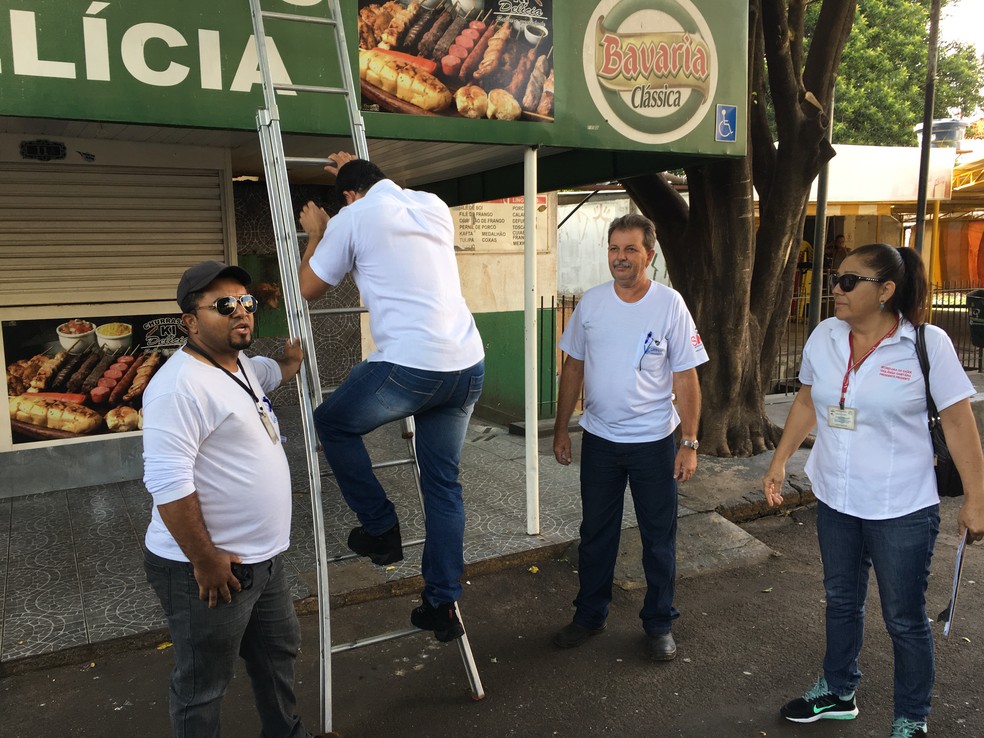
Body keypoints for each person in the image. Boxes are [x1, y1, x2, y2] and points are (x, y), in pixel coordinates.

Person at [762, 243, 984, 738]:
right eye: (835, 278)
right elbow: (806, 402)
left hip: (900, 506)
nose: (834, 290)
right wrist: (780, 462)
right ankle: (838, 691)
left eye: (848, 282)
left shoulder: (926, 344)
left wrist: (977, 499)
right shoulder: (824, 336)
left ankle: (911, 717)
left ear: (885, 291)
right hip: (837, 498)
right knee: (841, 600)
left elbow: (958, 425)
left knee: (904, 618)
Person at [142, 261, 338, 738]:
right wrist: (206, 560)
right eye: (225, 305)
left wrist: (293, 360)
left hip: (263, 562)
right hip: (208, 570)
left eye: (246, 303)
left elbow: (273, 372)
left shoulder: (242, 366)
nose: (241, 312)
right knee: (203, 683)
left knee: (277, 656)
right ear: (189, 321)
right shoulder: (177, 387)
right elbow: (167, 484)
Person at [297, 152, 485, 643]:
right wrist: (357, 170)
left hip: (410, 367)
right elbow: (382, 190)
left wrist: (318, 229)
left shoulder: (351, 217)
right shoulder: (431, 205)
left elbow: (308, 289)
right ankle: (441, 604)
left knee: (333, 423)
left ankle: (381, 529)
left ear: (347, 195)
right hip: (466, 364)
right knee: (443, 485)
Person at [552, 213, 708, 661]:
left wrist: (690, 442)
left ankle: (659, 623)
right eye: (614, 249)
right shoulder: (592, 303)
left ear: (649, 254)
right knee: (596, 534)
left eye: (630, 249)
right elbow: (573, 367)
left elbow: (686, 375)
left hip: (654, 443)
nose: (620, 258)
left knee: (659, 538)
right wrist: (563, 428)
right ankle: (589, 615)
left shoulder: (670, 304)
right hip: (599, 440)